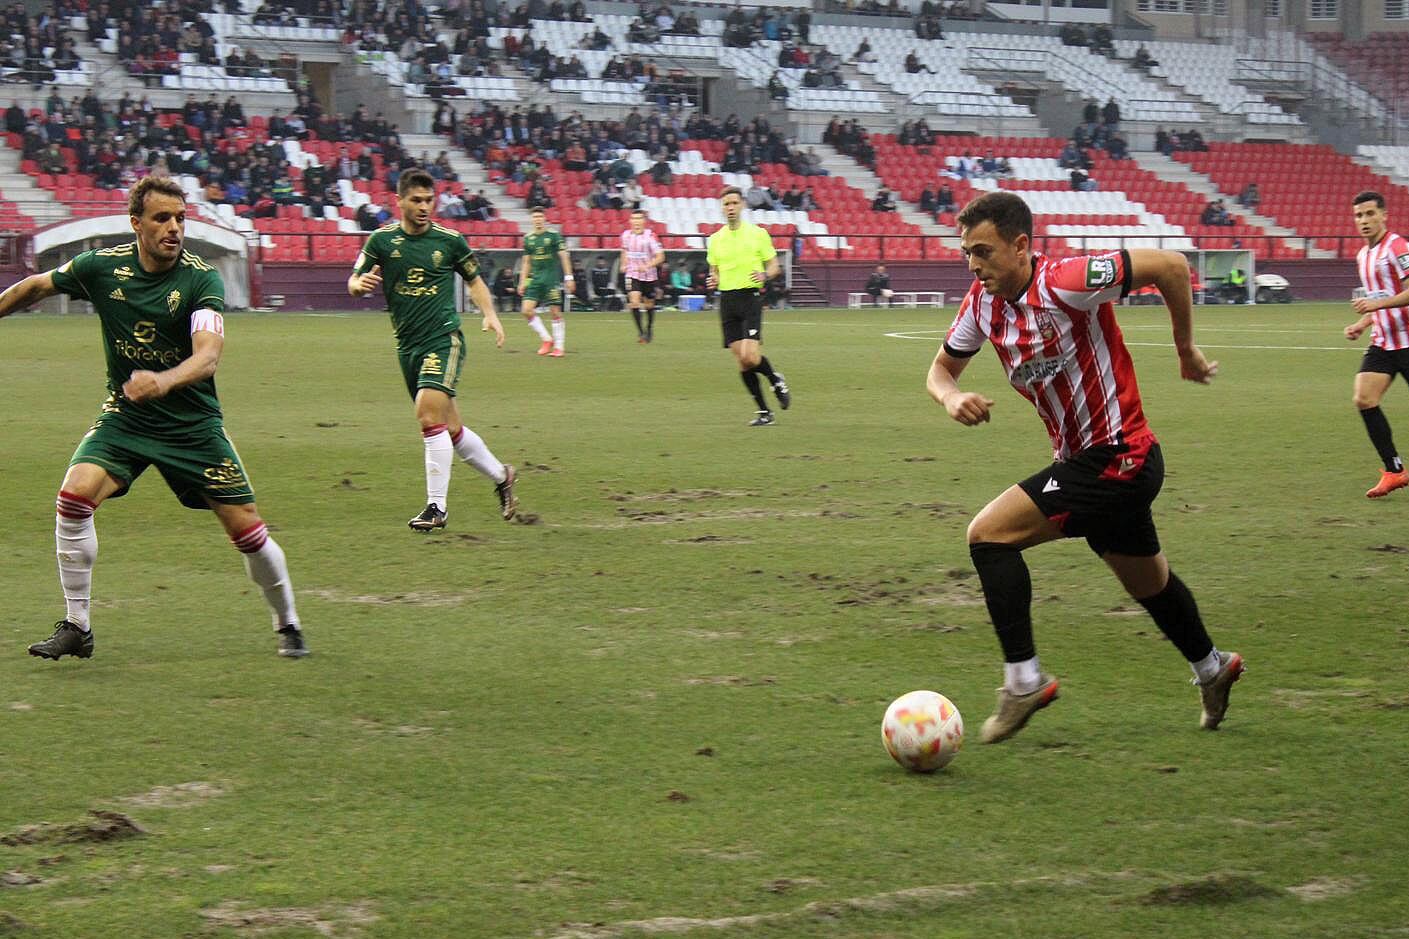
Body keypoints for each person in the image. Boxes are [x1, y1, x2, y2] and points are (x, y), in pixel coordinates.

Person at [927, 191, 1242, 743]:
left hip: (1120, 454)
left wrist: (1185, 349)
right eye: (966, 254)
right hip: (1090, 464)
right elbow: (940, 371)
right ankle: (1213, 668)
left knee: (988, 537)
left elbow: (1170, 266)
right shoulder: (980, 304)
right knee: (1150, 583)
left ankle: (1023, 682)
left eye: (984, 251)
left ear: (1021, 245)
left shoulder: (1068, 280)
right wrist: (950, 397)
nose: (974, 265)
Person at [0, 176, 308, 660]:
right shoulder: (102, 268)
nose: (174, 228)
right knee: (73, 496)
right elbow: (36, 285)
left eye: (181, 219)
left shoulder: (200, 278)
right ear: (136, 223)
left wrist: (162, 381)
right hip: (128, 417)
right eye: (162, 218)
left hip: (192, 426)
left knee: (246, 531)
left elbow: (208, 357)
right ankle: (77, 625)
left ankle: (287, 621)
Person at [347, 169, 517, 532]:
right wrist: (360, 286)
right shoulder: (380, 241)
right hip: (406, 345)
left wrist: (490, 315)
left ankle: (436, 508)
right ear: (400, 201)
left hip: (443, 339)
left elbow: (474, 280)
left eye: (429, 200)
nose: (425, 207)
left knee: (427, 415)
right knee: (450, 429)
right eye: (417, 200)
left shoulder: (450, 240)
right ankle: (503, 476)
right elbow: (354, 279)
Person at [706, 187, 790, 426]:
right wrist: (713, 280)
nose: (730, 207)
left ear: (742, 205)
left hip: (750, 299)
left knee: (750, 357)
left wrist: (765, 275)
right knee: (742, 361)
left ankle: (775, 379)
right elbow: (715, 272)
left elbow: (774, 266)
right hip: (727, 302)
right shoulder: (715, 240)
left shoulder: (757, 234)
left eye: (734, 203)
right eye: (726, 204)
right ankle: (764, 412)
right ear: (722, 208)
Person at [1344, 190, 1409, 498]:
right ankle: (1394, 471)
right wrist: (1361, 323)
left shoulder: (1398, 246)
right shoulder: (1362, 256)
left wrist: (1375, 307)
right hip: (1383, 342)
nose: (1364, 221)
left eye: (1370, 214)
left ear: (1384, 215)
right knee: (1364, 398)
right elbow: (1377, 301)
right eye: (1359, 215)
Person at [517, 206, 572, 357]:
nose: (538, 220)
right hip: (535, 280)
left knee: (555, 312)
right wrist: (522, 281)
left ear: (545, 219)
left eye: (540, 217)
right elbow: (526, 262)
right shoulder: (528, 238)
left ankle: (559, 346)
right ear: (532, 220)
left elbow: (563, 256)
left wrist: (569, 277)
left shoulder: (553, 236)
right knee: (526, 310)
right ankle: (547, 339)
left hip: (551, 280)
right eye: (535, 217)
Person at [620, 209, 665, 343]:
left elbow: (661, 256)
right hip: (632, 273)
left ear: (644, 221)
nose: (636, 222)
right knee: (634, 302)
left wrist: (648, 265)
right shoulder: (626, 235)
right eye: (634, 219)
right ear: (630, 221)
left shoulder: (650, 236)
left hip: (649, 275)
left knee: (649, 304)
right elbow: (624, 250)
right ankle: (641, 333)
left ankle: (649, 328)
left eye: (639, 218)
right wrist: (623, 263)